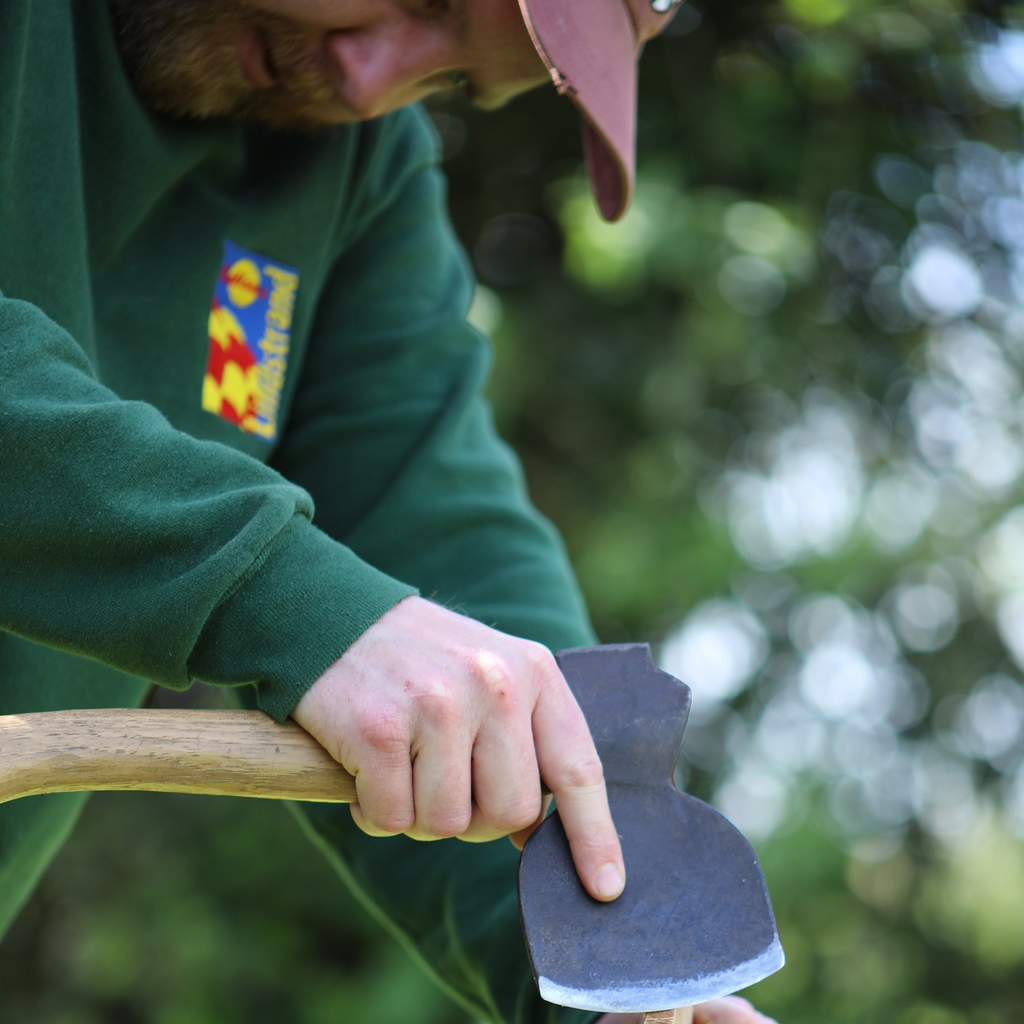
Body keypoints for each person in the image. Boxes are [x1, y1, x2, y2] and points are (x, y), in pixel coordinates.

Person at [0, 2, 776, 1022]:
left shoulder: (353, 157)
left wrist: (613, 961)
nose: (370, 81)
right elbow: (329, 608)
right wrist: (280, 593)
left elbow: (437, 533)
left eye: (453, 80)